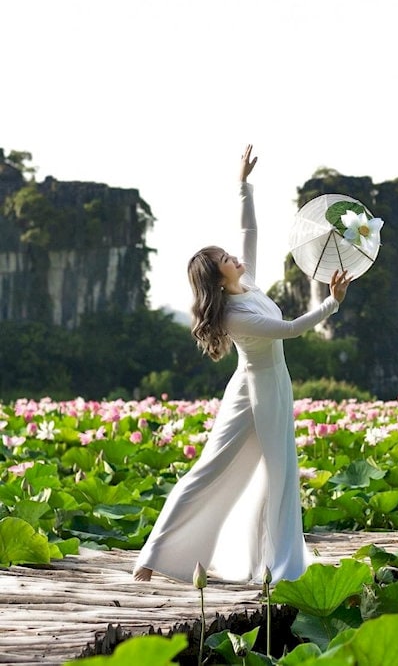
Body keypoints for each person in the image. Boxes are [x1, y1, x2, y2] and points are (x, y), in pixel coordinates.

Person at [133, 145, 350, 583]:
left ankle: (274, 559)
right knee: (214, 467)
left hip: (271, 385)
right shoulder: (234, 314)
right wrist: (332, 303)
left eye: (229, 255)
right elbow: (289, 329)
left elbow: (249, 228)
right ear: (220, 277)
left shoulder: (244, 283)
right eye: (226, 260)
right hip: (256, 391)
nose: (234, 257)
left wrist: (243, 184)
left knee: (278, 475)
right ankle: (153, 555)